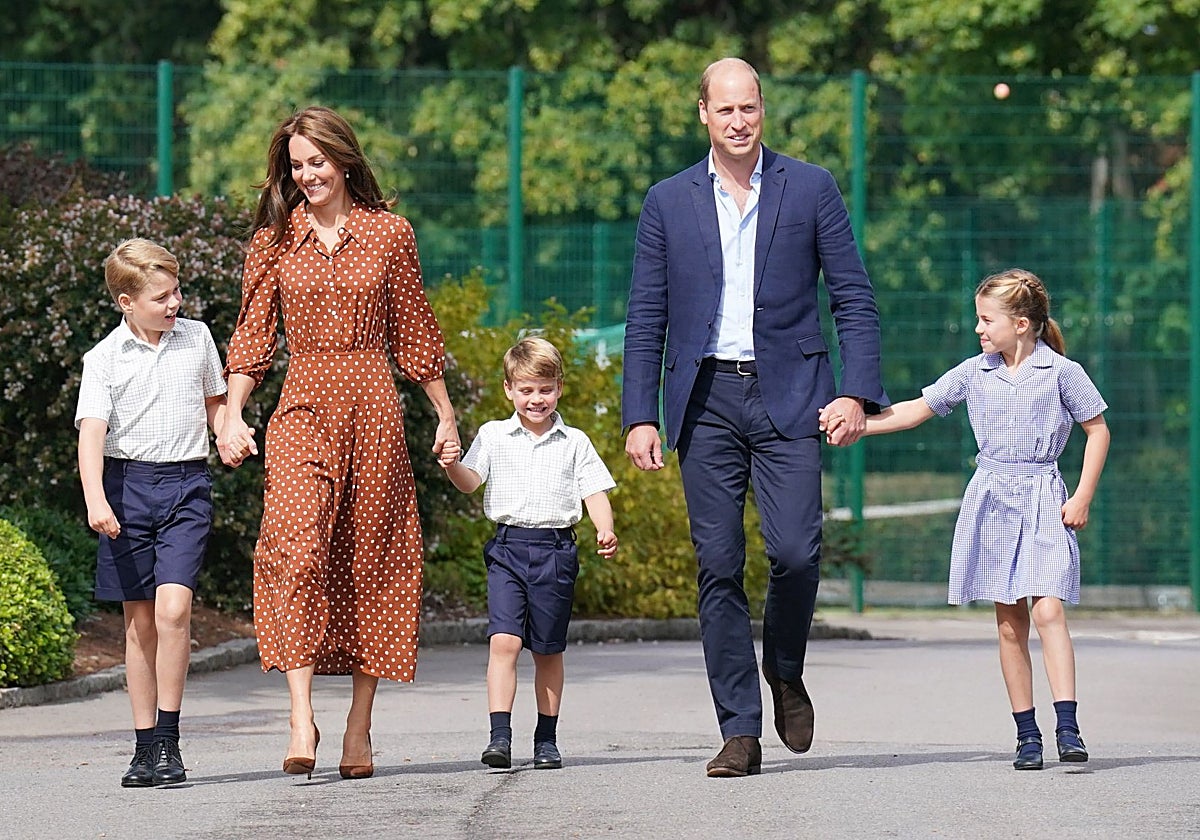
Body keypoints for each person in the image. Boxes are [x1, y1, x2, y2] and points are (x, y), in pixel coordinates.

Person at [621, 57, 888, 778]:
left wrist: (856, 394)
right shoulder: (668, 201)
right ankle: (739, 728)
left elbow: (854, 299)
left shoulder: (811, 187)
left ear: (762, 110)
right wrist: (638, 415)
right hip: (704, 400)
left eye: (750, 109)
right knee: (718, 566)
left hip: (794, 394)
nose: (739, 122)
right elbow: (646, 315)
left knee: (797, 553)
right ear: (702, 114)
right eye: (725, 110)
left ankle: (786, 669)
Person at [218, 105, 460, 781]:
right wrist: (233, 415)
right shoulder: (274, 240)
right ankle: (301, 717)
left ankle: (359, 726)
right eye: (296, 166)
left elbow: (414, 330)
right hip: (302, 405)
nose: (307, 176)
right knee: (293, 548)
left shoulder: (391, 234)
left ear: (344, 160)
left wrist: (444, 416)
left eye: (317, 162)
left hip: (375, 407)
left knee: (368, 559)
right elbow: (253, 336)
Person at [821, 268, 1110, 770]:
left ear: (1020, 323)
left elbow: (1098, 430)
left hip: (1044, 497)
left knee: (1048, 611)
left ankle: (1068, 724)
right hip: (992, 501)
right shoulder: (974, 372)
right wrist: (860, 425)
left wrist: (1082, 495)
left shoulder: (1063, 372)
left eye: (985, 319)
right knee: (1009, 622)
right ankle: (1027, 735)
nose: (978, 329)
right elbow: (915, 409)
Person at [76, 238, 249, 787]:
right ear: (126, 302)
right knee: (139, 623)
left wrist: (229, 432)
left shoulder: (196, 337)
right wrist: (95, 498)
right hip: (126, 489)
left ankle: (170, 742)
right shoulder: (104, 359)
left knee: (174, 611)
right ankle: (143, 747)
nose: (174, 304)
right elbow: (92, 437)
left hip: (186, 486)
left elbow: (215, 403)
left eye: (176, 292)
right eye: (161, 297)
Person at [440, 336, 618, 771]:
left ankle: (546, 739)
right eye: (526, 390)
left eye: (545, 389)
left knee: (547, 651)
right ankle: (499, 736)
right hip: (508, 548)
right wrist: (450, 464)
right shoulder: (493, 435)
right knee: (503, 641)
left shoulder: (574, 441)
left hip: (555, 551)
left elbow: (593, 490)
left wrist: (605, 528)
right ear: (508, 390)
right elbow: (470, 480)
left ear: (559, 388)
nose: (536, 399)